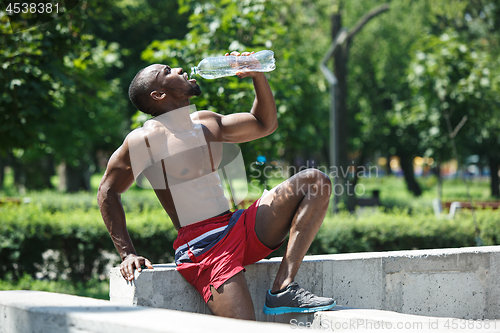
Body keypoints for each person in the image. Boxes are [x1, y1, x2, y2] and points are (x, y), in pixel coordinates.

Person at [97, 51, 335, 320]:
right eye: (168, 71)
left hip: (237, 225)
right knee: (246, 328)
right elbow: (107, 190)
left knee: (316, 181)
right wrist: (127, 253)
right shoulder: (144, 140)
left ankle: (281, 288)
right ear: (158, 95)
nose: (179, 68)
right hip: (203, 247)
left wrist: (257, 76)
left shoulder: (206, 122)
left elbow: (264, 124)